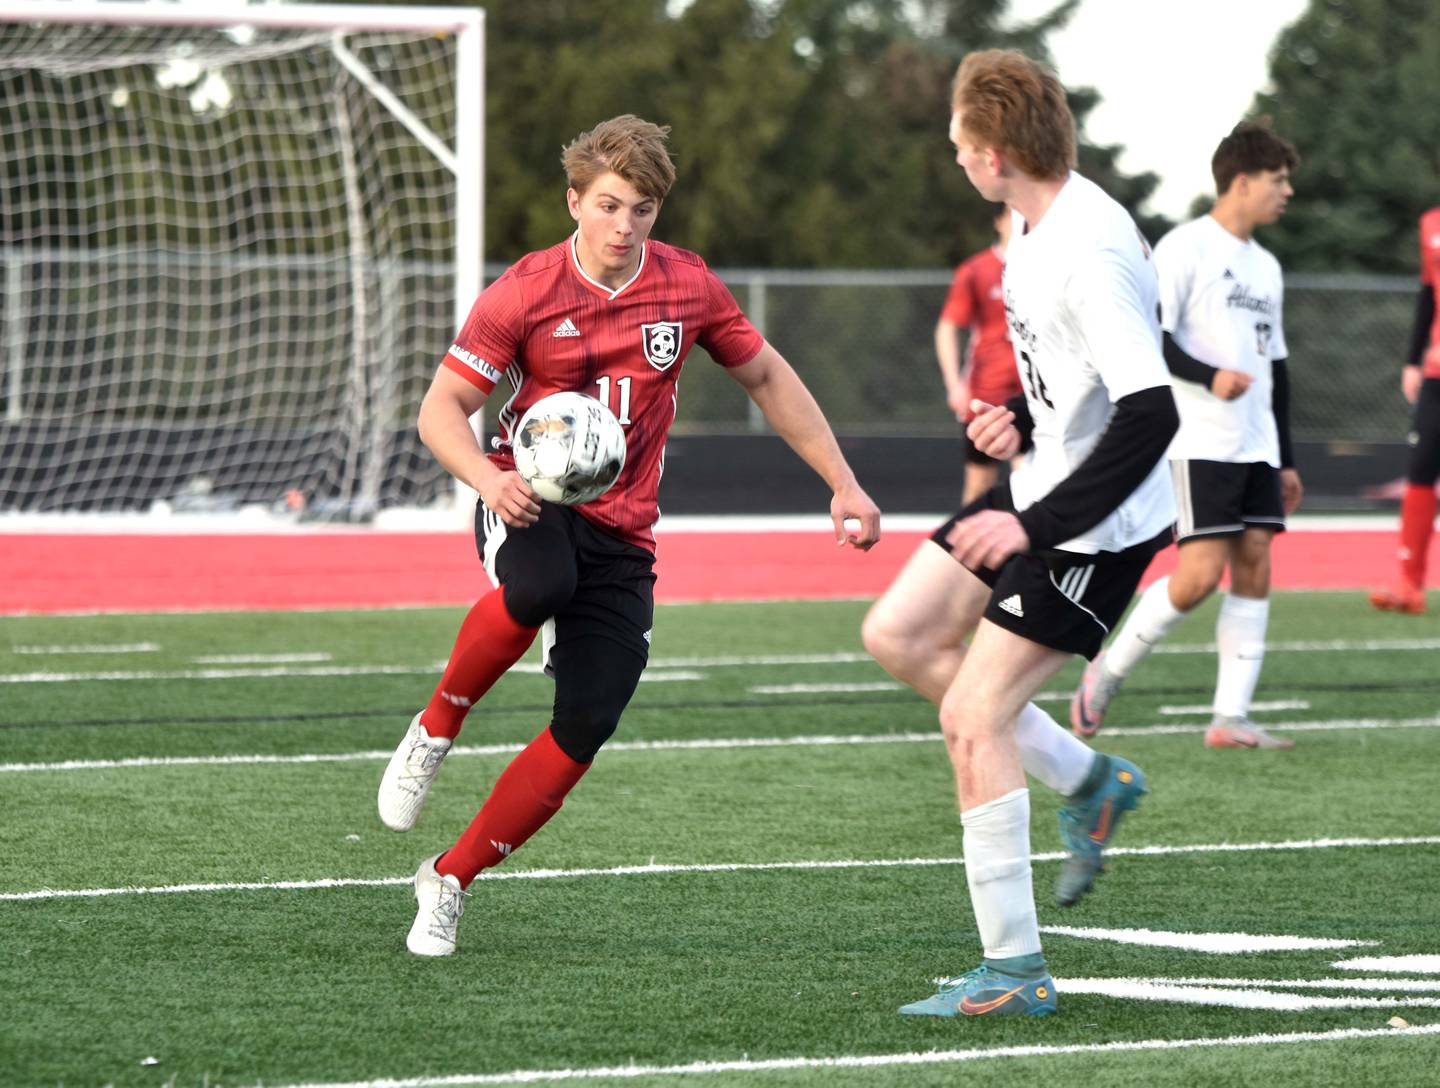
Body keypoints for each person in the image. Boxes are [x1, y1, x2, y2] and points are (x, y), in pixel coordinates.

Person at [379, 114, 882, 957]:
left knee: (588, 721)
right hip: (527, 502)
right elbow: (440, 410)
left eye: (642, 209)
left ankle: (449, 878)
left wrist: (843, 481)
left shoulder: (686, 286)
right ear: (574, 201)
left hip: (626, 534)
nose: (624, 226)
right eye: (608, 205)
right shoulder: (526, 290)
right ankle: (437, 726)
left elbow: (762, 372)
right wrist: (489, 478)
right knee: (538, 587)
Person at [861, 50, 1177, 1018]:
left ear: (996, 153)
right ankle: (1091, 780)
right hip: (1042, 491)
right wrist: (1016, 424)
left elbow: (1151, 412)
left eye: (961, 146)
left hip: (1094, 531)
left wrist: (1033, 522)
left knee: (973, 715)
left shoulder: (1090, 251)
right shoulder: (1030, 229)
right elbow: (1072, 390)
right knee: (902, 635)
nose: (955, 159)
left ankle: (1015, 969)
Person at [1071, 121, 1302, 751]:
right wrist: (1208, 376)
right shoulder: (1185, 249)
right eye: (1279, 182)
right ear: (1243, 181)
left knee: (1255, 564)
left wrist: (1285, 458)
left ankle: (1230, 718)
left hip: (1255, 445)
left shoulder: (1267, 267)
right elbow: (1151, 336)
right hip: (1199, 440)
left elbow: (1276, 367)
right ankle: (1106, 672)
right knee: (1199, 577)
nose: (1286, 194)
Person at [1369, 205, 1440, 615]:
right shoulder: (1430, 223)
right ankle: (1408, 583)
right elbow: (1429, 293)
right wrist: (1413, 360)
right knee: (1422, 468)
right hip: (1437, 372)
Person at [936, 204, 1024, 503]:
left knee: (1031, 482)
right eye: (1013, 215)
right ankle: (965, 549)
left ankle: (1025, 549)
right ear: (999, 221)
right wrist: (954, 385)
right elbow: (947, 327)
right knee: (979, 485)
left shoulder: (1045, 267)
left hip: (1032, 392)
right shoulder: (977, 270)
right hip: (987, 391)